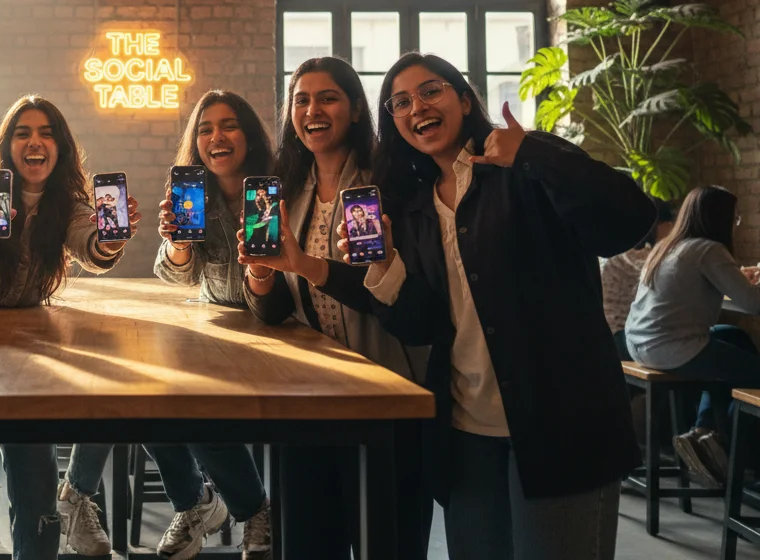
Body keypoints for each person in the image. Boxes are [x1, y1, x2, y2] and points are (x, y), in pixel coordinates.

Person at [335, 53, 653, 560]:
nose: (417, 106)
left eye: (431, 91)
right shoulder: (415, 207)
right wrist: (385, 267)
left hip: (560, 425)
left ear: (464, 99)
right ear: (394, 123)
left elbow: (630, 219)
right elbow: (425, 326)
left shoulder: (524, 166)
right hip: (466, 436)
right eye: (400, 102)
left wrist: (533, 154)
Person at [239, 56, 430, 559]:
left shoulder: (389, 184)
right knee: (305, 543)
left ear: (353, 110)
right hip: (306, 398)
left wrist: (303, 264)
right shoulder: (288, 190)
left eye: (328, 97)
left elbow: (391, 298)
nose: (312, 109)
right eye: (301, 99)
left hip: (384, 394)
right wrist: (261, 273)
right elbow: (279, 313)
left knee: (386, 540)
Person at [0, 95, 141, 560]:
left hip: (27, 358)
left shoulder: (66, 203)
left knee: (36, 496)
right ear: (7, 144)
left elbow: (90, 247)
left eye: (46, 132)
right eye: (23, 132)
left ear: (61, 147)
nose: (35, 142)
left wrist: (110, 238)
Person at [138, 90, 274, 560]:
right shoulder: (195, 197)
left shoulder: (279, 190)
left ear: (250, 136)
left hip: (279, 333)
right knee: (144, 399)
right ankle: (195, 502)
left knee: (198, 408)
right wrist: (176, 243)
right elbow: (179, 275)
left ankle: (253, 509)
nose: (217, 136)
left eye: (229, 125)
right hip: (215, 331)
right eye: (205, 129)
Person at [624, 186, 760, 487]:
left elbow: (705, 287)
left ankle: (704, 432)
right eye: (735, 218)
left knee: (735, 338)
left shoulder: (670, 246)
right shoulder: (709, 249)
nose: (736, 223)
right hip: (671, 347)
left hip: (641, 343)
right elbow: (752, 302)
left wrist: (738, 277)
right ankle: (730, 452)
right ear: (719, 217)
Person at [603, 198, 676, 359]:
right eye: (670, 224)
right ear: (659, 224)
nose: (673, 230)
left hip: (608, 335)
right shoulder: (643, 258)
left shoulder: (619, 250)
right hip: (623, 337)